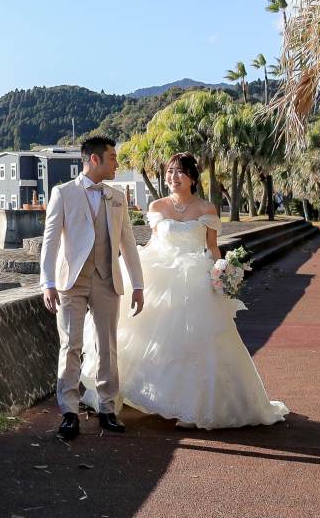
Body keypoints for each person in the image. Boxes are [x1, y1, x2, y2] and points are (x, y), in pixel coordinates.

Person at [82, 152, 288, 429]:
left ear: (192, 177)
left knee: (196, 340)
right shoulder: (156, 206)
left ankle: (194, 406)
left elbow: (213, 248)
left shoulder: (207, 209)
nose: (173, 177)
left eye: (179, 172)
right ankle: (143, 394)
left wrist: (223, 273)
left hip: (194, 274)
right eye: (169, 172)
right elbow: (155, 243)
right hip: (161, 271)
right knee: (145, 336)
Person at [40, 134, 143, 439]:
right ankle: (69, 412)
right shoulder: (63, 193)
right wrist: (47, 282)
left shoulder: (117, 197)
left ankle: (107, 408)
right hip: (71, 281)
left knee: (107, 345)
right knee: (70, 345)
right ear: (94, 159)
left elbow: (128, 242)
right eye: (113, 157)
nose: (117, 163)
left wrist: (137, 283)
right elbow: (51, 240)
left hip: (107, 279)